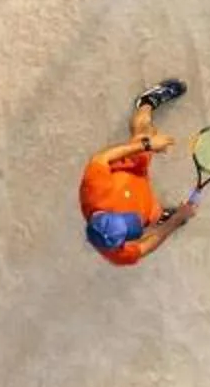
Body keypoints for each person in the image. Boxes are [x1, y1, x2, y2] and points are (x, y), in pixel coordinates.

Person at [81, 78, 199, 266]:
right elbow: (147, 245)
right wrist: (175, 220)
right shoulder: (116, 254)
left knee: (145, 132)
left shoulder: (95, 192)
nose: (132, 224)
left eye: (128, 222)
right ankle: (165, 216)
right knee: (156, 218)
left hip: (128, 169)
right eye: (130, 229)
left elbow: (102, 158)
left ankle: (146, 103)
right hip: (147, 207)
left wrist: (147, 145)